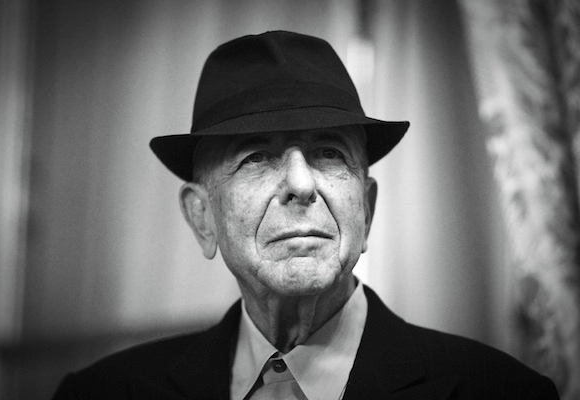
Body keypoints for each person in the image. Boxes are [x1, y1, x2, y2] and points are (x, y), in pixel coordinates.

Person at [52, 31, 559, 399]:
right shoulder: (101, 394)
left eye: (329, 153)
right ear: (202, 218)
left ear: (366, 209)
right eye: (256, 157)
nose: (301, 184)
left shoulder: (502, 392)